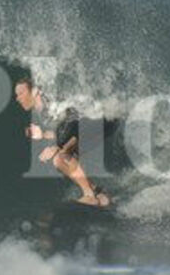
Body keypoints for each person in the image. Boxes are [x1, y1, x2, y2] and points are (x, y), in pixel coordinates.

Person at [13, 75, 111, 207]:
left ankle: (90, 196)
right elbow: (64, 129)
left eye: (20, 93)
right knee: (61, 156)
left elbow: (74, 120)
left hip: (101, 121)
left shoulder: (48, 102)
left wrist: (58, 147)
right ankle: (99, 194)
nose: (17, 98)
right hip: (92, 125)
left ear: (35, 91)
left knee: (61, 158)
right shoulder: (41, 110)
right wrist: (43, 135)